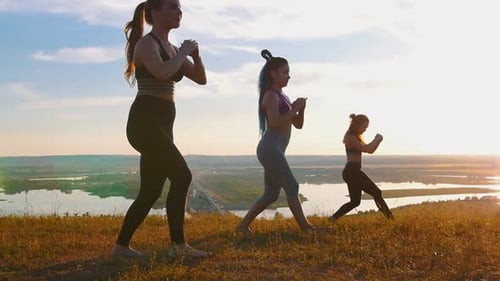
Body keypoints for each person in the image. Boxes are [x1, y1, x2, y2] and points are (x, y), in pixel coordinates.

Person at [111, 0, 211, 259]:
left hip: (163, 123)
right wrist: (183, 53)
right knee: (182, 176)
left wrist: (196, 57)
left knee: (151, 190)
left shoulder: (172, 47)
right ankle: (178, 247)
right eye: (172, 7)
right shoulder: (147, 44)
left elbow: (201, 79)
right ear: (154, 13)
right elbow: (162, 72)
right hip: (144, 122)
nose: (179, 11)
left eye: (179, 7)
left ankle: (120, 247)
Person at [236, 49, 318, 233]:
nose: (289, 76)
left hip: (275, 150)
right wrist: (293, 109)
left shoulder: (284, 97)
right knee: (292, 186)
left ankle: (242, 226)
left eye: (289, 72)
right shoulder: (270, 95)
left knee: (271, 195)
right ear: (273, 74)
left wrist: (300, 109)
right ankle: (306, 228)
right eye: (285, 72)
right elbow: (274, 122)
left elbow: (297, 125)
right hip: (269, 149)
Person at [329, 114, 394, 222]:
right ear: (357, 125)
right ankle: (390, 219)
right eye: (364, 127)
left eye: (366, 128)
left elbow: (369, 149)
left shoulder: (352, 137)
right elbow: (369, 149)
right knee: (376, 192)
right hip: (352, 172)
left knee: (355, 202)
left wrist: (377, 140)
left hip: (352, 172)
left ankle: (332, 219)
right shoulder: (350, 137)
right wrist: (377, 139)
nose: (364, 130)